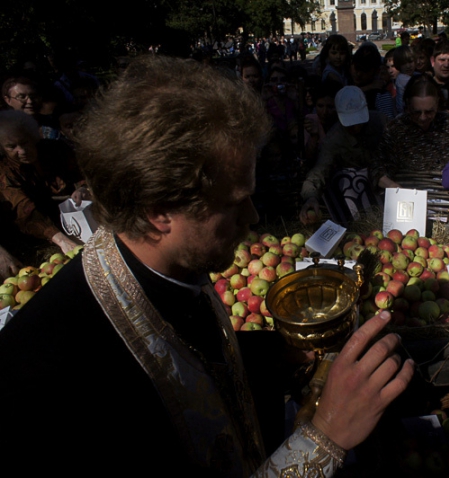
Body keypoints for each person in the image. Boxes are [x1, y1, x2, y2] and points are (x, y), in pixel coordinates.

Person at [0, 56, 413, 475]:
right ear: (159, 210)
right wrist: (327, 435)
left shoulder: (170, 268)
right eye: (234, 203)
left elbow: (185, 365)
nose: (253, 218)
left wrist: (271, 354)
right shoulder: (57, 379)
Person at [0, 110, 83, 262]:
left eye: (25, 142)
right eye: (12, 147)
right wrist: (60, 239)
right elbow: (24, 210)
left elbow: (82, 172)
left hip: (80, 218)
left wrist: (82, 188)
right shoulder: (5, 174)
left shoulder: (56, 150)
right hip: (42, 237)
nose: (22, 151)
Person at [300, 86, 386, 224]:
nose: (356, 127)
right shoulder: (333, 140)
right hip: (355, 196)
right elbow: (318, 173)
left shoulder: (381, 122)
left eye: (359, 122)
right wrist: (311, 197)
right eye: (350, 124)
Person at [374, 75, 449, 188]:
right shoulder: (396, 128)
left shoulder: (445, 123)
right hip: (407, 189)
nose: (423, 118)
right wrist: (394, 187)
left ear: (437, 104)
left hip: (442, 191)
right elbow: (378, 168)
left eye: (429, 112)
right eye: (417, 112)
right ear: (408, 105)